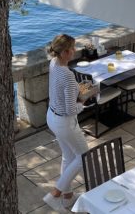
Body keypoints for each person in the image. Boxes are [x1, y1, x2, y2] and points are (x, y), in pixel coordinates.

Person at [42, 34, 91, 211]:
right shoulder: (69, 76)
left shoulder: (53, 64)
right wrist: (84, 99)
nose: (75, 51)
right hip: (65, 122)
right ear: (64, 53)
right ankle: (55, 194)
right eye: (72, 49)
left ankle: (68, 197)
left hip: (52, 117)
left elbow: (62, 90)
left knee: (68, 156)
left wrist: (76, 91)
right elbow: (71, 109)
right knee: (84, 156)